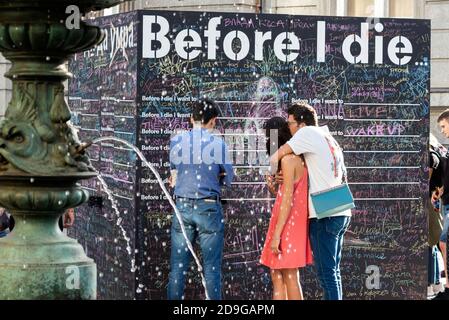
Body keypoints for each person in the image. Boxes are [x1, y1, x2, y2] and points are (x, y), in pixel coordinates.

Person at [269, 103, 351, 300]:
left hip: (324, 213)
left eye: (290, 124)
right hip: (341, 207)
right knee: (333, 273)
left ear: (301, 124)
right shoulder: (327, 137)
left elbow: (275, 156)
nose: (288, 128)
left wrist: (271, 177)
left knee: (326, 275)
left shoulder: (307, 134)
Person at [167, 98, 234, 300]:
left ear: (191, 118)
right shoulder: (218, 143)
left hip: (182, 206)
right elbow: (228, 177)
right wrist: (215, 178)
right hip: (208, 207)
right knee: (211, 269)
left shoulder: (177, 140)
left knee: (177, 268)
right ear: (213, 121)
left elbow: (174, 174)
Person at [260, 117, 313, 300]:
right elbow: (282, 193)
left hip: (287, 223)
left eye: (270, 139)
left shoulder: (289, 160)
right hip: (287, 220)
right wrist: (272, 182)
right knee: (280, 274)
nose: (268, 144)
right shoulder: (294, 159)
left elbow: (288, 200)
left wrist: (276, 235)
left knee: (288, 275)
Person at [431, 109, 449, 300]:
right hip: (445, 202)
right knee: (443, 242)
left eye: (444, 126)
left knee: (443, 242)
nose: (442, 131)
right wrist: (441, 191)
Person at [428, 133, 445, 297]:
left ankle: (433, 283)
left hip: (430, 200)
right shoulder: (437, 154)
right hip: (435, 200)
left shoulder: (430, 156)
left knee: (431, 242)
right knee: (432, 244)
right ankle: (436, 283)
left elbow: (425, 179)